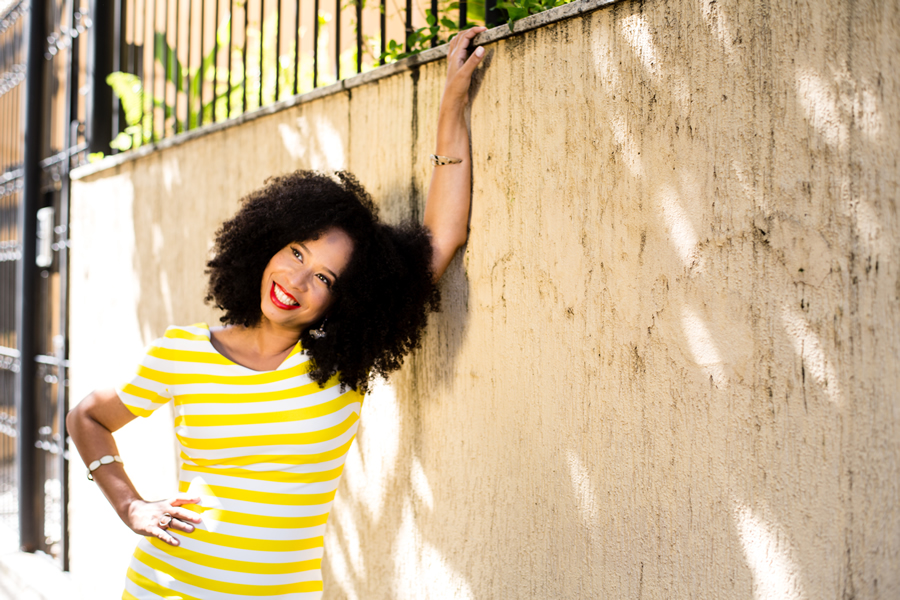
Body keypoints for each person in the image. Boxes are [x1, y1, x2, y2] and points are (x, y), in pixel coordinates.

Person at [67, 26, 489, 599]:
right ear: (266, 243)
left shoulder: (337, 364)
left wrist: (452, 102)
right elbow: (87, 417)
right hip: (163, 587)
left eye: (323, 277)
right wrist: (131, 506)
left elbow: (443, 234)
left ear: (346, 299)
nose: (294, 279)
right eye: (295, 251)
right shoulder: (183, 352)